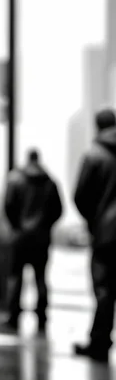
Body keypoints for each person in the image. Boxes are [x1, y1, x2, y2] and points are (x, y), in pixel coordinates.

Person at [0, 149, 62, 334]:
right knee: (40, 277)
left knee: (16, 276)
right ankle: (42, 315)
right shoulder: (50, 182)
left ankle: (13, 315)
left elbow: (8, 205)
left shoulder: (16, 179)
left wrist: (17, 226)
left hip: (20, 238)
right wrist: (45, 226)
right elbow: (58, 210)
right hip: (41, 238)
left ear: (28, 159)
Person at [73, 108, 116, 363]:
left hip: (106, 234)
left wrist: (95, 220)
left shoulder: (94, 155)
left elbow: (81, 196)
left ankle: (100, 344)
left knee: (103, 290)